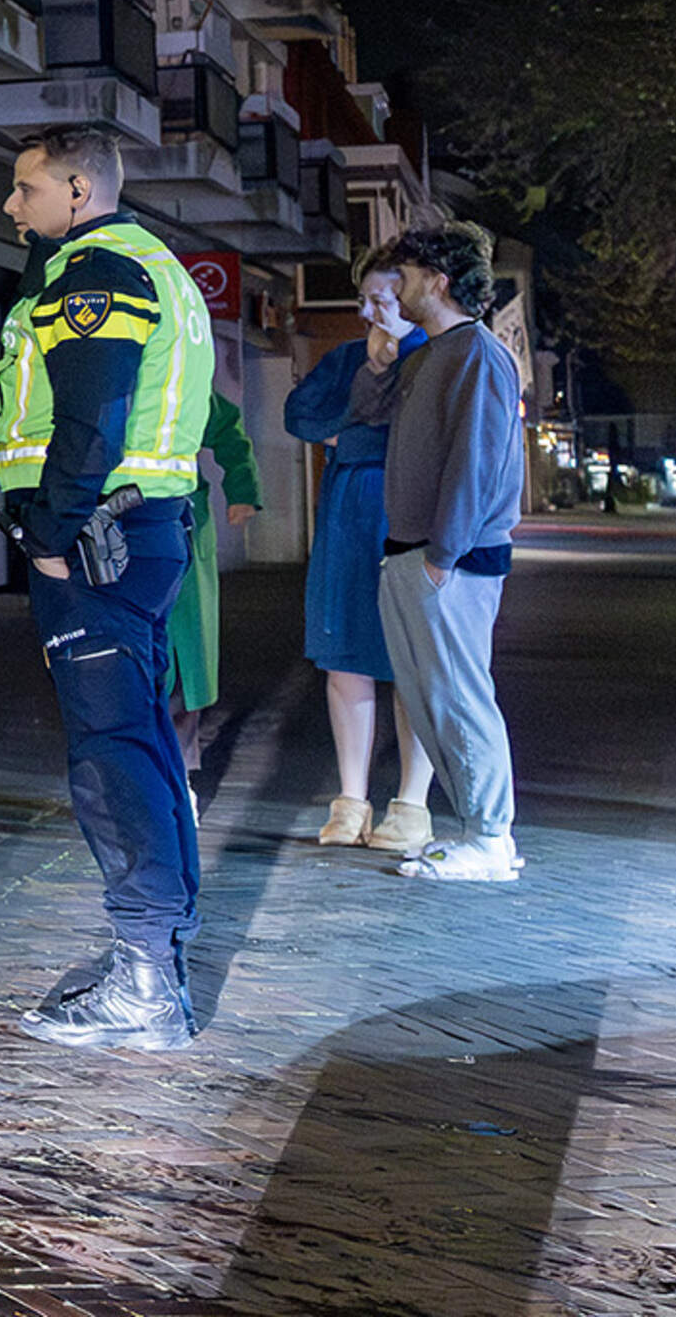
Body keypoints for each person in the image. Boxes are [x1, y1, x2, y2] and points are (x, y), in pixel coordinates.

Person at [0, 121, 213, 1053]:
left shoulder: (95, 271)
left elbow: (92, 413)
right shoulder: (152, 263)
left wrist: (47, 534)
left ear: (79, 191)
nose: (11, 205)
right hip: (136, 536)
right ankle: (159, 954)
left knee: (111, 758)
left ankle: (146, 981)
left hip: (94, 543)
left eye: (26, 188)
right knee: (144, 743)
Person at [353, 221, 529, 884]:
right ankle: (482, 834)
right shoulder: (428, 354)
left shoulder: (477, 353)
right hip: (417, 550)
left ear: (438, 280)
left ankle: (489, 836)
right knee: (434, 699)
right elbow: (366, 414)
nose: (391, 288)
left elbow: (476, 462)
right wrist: (379, 359)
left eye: (403, 274)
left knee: (458, 697)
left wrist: (443, 554)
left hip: (445, 556)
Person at [284, 259, 436, 850]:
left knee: (412, 661)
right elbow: (300, 415)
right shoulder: (347, 357)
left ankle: (412, 803)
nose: (372, 312)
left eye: (384, 299)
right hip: (348, 511)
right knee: (344, 650)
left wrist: (346, 434)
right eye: (365, 299)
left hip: (406, 508)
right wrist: (361, 404)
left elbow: (416, 433)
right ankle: (351, 801)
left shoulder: (433, 355)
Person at [167, 389, 262, 778]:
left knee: (182, 658)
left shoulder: (177, 372)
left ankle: (180, 773)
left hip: (180, 516)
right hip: (121, 521)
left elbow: (226, 426)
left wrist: (242, 490)